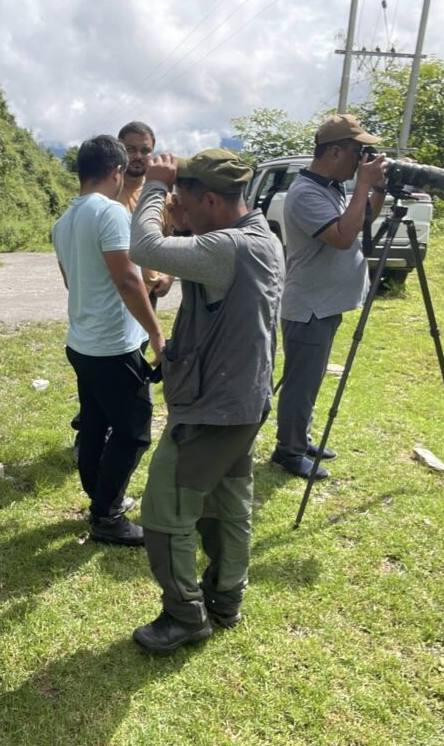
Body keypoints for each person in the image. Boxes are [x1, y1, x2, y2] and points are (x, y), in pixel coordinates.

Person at [129, 148, 284, 653]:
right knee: (228, 502)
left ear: (213, 198)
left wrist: (152, 186)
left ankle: (184, 615)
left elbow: (143, 247)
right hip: (244, 399)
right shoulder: (262, 237)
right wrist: (182, 219)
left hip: (213, 407)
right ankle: (226, 598)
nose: (181, 210)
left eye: (187, 201)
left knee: (165, 509)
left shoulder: (224, 249)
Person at [52, 135, 165, 546]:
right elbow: (128, 279)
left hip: (83, 343)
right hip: (113, 346)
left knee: (97, 425)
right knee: (134, 430)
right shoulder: (111, 213)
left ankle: (101, 496)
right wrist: (155, 333)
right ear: (117, 172)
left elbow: (71, 281)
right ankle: (107, 516)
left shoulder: (63, 221)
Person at [269, 114, 388, 480]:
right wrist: (363, 185)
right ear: (335, 152)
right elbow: (342, 237)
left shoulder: (332, 186)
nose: (363, 159)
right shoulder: (305, 193)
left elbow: (363, 218)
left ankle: (300, 438)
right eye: (359, 151)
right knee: (300, 383)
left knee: (311, 378)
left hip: (325, 304)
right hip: (309, 307)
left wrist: (377, 189)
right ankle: (287, 452)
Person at [116, 121, 175, 303]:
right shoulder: (107, 193)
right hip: (112, 291)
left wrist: (169, 274)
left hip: (148, 294)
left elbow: (173, 239)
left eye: (145, 151)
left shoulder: (162, 197)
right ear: (119, 150)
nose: (138, 156)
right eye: (131, 149)